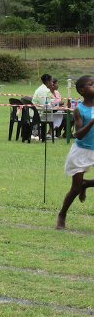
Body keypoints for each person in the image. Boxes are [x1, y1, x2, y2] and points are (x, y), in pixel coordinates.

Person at [56, 76, 94, 230]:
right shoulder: (80, 109)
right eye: (92, 84)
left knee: (81, 185)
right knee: (75, 188)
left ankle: (86, 184)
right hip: (81, 151)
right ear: (82, 91)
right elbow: (78, 134)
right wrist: (91, 122)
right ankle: (62, 215)